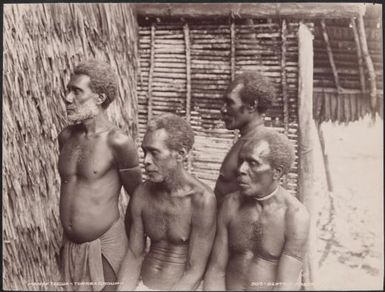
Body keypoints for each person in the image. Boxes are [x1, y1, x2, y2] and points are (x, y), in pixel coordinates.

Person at [57, 59, 142, 291]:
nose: (67, 98)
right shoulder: (66, 137)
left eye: (77, 91)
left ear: (100, 98)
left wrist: (131, 249)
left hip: (106, 245)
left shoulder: (119, 143)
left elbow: (140, 198)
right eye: (68, 90)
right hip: (70, 246)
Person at [117, 113, 216, 291]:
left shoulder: (202, 201)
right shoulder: (142, 193)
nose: (146, 161)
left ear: (180, 154)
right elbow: (134, 254)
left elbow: (194, 271)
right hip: (143, 286)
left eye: (154, 153)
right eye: (144, 152)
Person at [204, 129, 310, 291]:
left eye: (252, 163)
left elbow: (286, 286)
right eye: (241, 161)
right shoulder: (231, 204)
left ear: (277, 172)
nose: (241, 169)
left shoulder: (295, 216)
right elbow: (216, 270)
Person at [214, 71, 276, 207]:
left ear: (252, 105)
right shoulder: (247, 139)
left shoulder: (258, 147)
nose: (223, 109)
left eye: (230, 103)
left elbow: (259, 207)